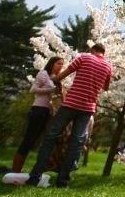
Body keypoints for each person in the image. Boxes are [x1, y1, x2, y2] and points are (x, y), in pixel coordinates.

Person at [26, 43, 113, 188]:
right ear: (103, 53)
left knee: (51, 136)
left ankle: (34, 178)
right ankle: (63, 181)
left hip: (71, 104)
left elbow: (62, 76)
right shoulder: (108, 66)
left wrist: (51, 80)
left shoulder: (84, 57)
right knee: (76, 144)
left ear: (92, 50)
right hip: (88, 109)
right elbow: (106, 87)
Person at [12, 56, 63, 173]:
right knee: (29, 139)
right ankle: (15, 170)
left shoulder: (57, 78)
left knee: (47, 141)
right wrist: (50, 90)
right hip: (38, 109)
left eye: (62, 64)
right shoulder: (43, 74)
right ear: (51, 64)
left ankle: (44, 168)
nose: (60, 66)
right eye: (58, 63)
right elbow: (33, 89)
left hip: (49, 112)